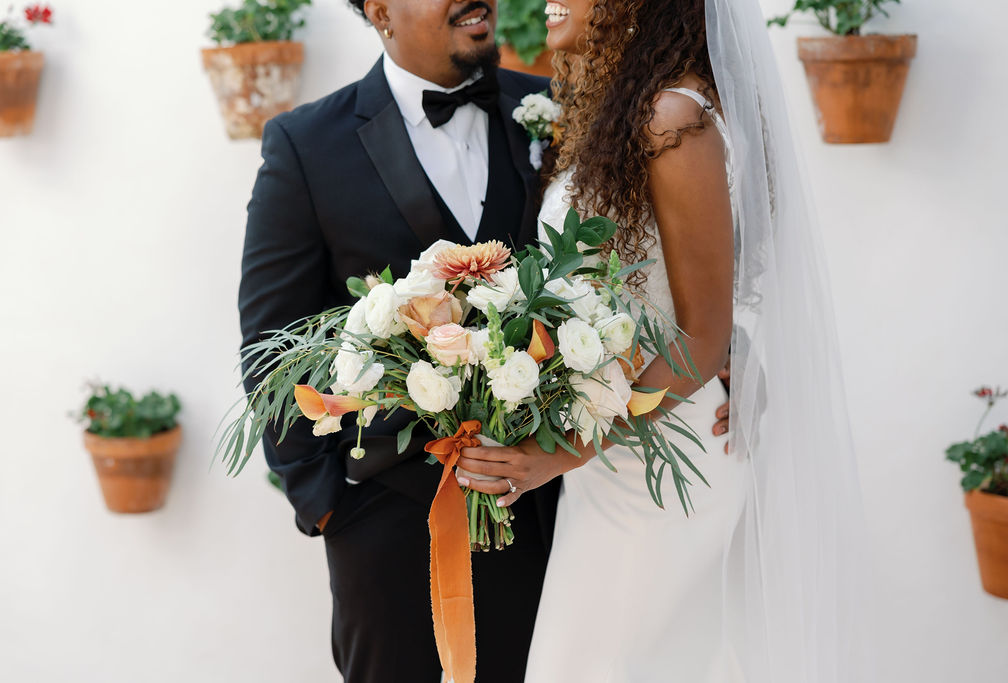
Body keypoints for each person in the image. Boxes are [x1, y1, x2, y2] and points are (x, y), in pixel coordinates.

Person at [458, 1, 872, 682]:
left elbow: (702, 335)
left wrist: (559, 451)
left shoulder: (674, 118)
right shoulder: (625, 109)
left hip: (666, 460)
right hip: (617, 455)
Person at [238, 1, 561, 680]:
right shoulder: (307, 144)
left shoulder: (554, 111)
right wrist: (328, 504)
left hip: (547, 515)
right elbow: (269, 345)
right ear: (381, 10)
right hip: (385, 531)